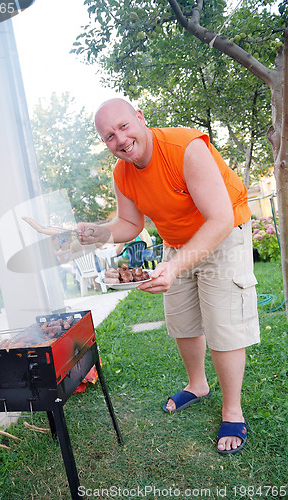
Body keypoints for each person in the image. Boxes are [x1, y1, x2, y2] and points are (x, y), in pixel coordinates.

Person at [77, 98, 260, 455]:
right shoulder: (122, 172)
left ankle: (232, 410)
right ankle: (197, 385)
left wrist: (173, 267)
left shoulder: (185, 148)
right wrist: (96, 232)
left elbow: (220, 219)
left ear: (140, 118)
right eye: (109, 136)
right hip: (177, 241)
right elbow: (131, 224)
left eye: (124, 126)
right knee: (182, 318)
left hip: (223, 232)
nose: (120, 139)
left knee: (223, 322)